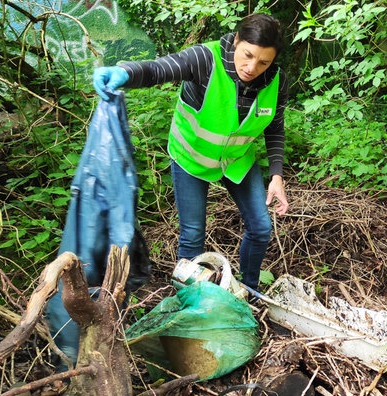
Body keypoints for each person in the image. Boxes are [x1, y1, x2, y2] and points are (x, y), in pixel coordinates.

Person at [93, 13, 289, 291]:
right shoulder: (205, 60)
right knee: (193, 236)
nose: (251, 67)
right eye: (247, 55)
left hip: (235, 161)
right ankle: (186, 302)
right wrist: (125, 72)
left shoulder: (277, 82)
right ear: (236, 41)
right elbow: (159, 69)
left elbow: (275, 128)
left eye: (263, 62)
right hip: (191, 158)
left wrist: (277, 176)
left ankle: (248, 290)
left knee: (260, 228)